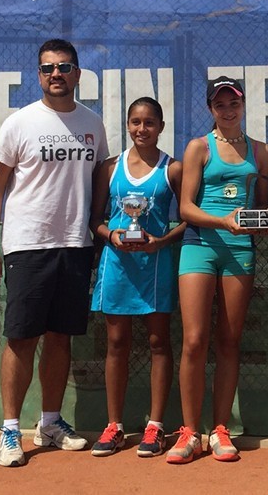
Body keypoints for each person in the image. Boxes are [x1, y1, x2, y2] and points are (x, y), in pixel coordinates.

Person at [0, 39, 108, 467]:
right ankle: (10, 431)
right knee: (21, 339)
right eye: (48, 68)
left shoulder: (94, 124)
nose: (56, 74)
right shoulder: (20, 123)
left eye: (64, 67)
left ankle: (50, 422)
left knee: (60, 337)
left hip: (75, 246)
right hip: (27, 246)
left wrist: (99, 230)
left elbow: (101, 186)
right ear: (39, 75)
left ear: (77, 74)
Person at [168, 76, 268, 464]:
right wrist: (223, 222)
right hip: (199, 246)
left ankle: (220, 429)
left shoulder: (261, 152)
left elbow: (261, 207)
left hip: (239, 250)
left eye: (234, 103)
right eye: (220, 104)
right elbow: (187, 209)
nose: (228, 110)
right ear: (211, 108)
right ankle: (189, 432)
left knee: (229, 341)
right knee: (194, 340)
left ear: (243, 105)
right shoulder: (198, 147)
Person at [88, 97, 186, 458]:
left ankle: (156, 426)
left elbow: (190, 215)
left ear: (161, 127)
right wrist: (112, 235)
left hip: (155, 265)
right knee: (116, 343)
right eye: (135, 122)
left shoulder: (172, 169)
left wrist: (161, 241)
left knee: (159, 342)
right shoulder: (109, 169)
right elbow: (94, 217)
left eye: (149, 123)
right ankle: (114, 426)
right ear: (127, 125)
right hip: (117, 265)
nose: (141, 129)